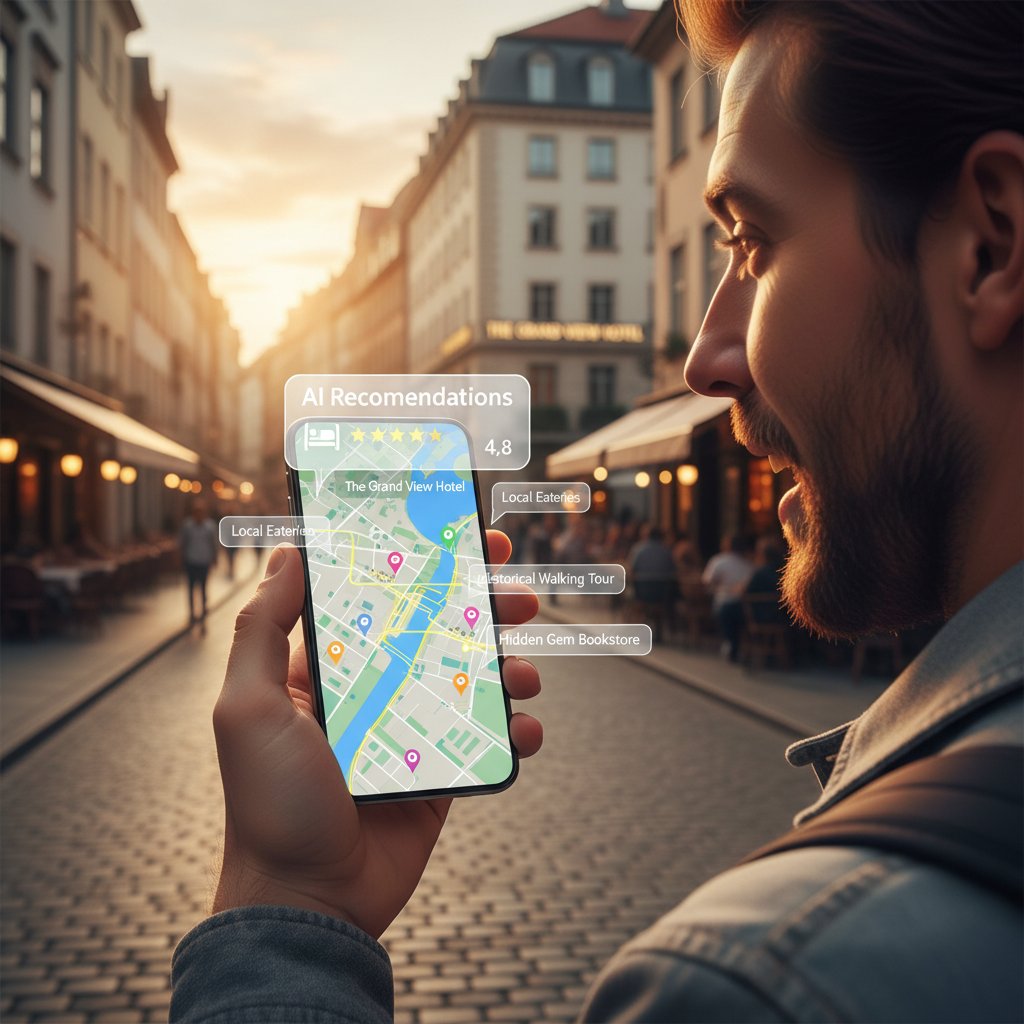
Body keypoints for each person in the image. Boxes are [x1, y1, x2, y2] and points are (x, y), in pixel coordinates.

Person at [171, 3, 1022, 1021]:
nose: (708, 354)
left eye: (751, 241)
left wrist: (283, 911)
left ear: (991, 243)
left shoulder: (772, 980)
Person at [717, 534, 785, 661]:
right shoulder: (783, 571)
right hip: (783, 616)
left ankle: (733, 645)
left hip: (761, 617)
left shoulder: (760, 573)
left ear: (763, 555)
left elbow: (744, 593)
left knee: (726, 609)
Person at [179, 501, 217, 634]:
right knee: (190, 589)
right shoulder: (187, 526)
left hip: (204, 562)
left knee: (203, 589)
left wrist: (214, 558)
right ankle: (191, 614)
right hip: (191, 561)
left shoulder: (209, 527)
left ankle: (203, 615)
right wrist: (181, 559)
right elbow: (182, 543)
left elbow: (213, 543)